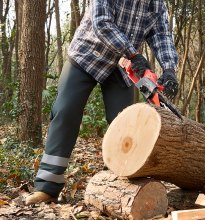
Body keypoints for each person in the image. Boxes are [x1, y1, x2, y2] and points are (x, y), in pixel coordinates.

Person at [26, 0, 178, 205]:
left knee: (125, 125)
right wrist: (133, 54)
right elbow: (102, 22)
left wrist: (169, 69)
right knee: (65, 111)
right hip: (87, 55)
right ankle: (47, 187)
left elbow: (161, 35)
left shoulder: (157, 4)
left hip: (122, 68)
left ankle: (122, 186)